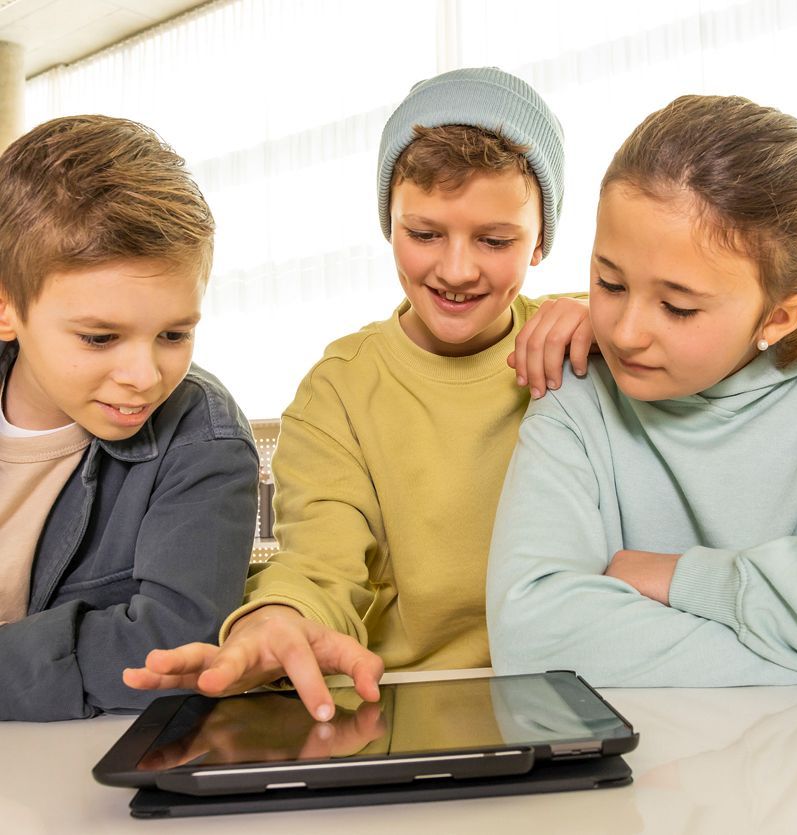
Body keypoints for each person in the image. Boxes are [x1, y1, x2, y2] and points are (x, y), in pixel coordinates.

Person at [124, 67, 592, 718]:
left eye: (494, 239)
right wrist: (278, 617)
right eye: (423, 233)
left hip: (568, 689)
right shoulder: (338, 390)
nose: (455, 269)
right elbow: (320, 565)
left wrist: (618, 321)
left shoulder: (587, 336)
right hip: (395, 700)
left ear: (541, 238)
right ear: (387, 223)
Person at [487, 94, 797, 686]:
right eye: (609, 282)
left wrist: (682, 578)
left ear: (778, 318)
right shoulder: (577, 393)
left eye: (677, 307)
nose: (624, 334)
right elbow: (533, 635)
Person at [0, 115, 259, 721]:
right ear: (7, 308)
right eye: (99, 337)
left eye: (174, 333)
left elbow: (170, 652)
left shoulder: (204, 439)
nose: (144, 376)